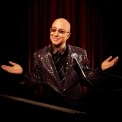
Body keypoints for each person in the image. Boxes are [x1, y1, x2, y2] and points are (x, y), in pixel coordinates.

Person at [0, 18, 121, 120]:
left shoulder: (80, 53)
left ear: (68, 35)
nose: (56, 34)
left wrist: (100, 69)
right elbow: (35, 81)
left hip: (74, 109)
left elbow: (87, 79)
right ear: (50, 31)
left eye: (61, 31)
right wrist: (21, 74)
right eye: (53, 30)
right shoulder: (39, 55)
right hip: (49, 109)